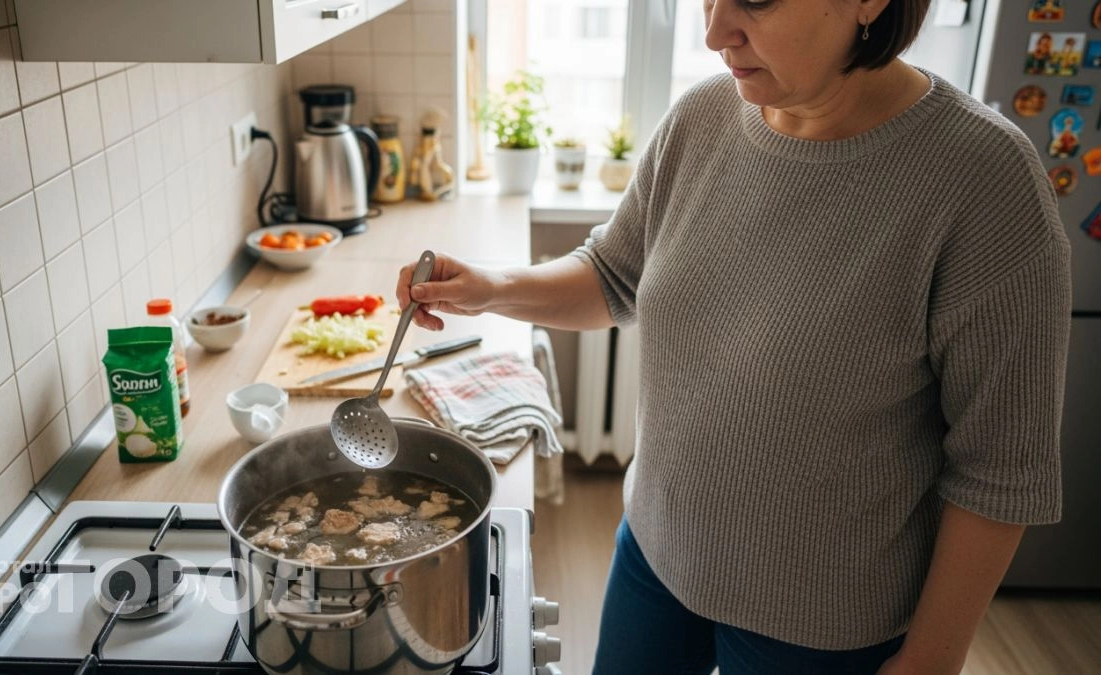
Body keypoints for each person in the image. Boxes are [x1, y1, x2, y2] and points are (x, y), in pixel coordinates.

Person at [396, 0, 1071, 672]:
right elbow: (613, 274)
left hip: (822, 626)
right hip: (655, 559)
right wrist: (488, 288)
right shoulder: (702, 118)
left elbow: (999, 469)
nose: (715, 31)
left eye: (754, 0)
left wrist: (932, 655)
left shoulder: (985, 180)